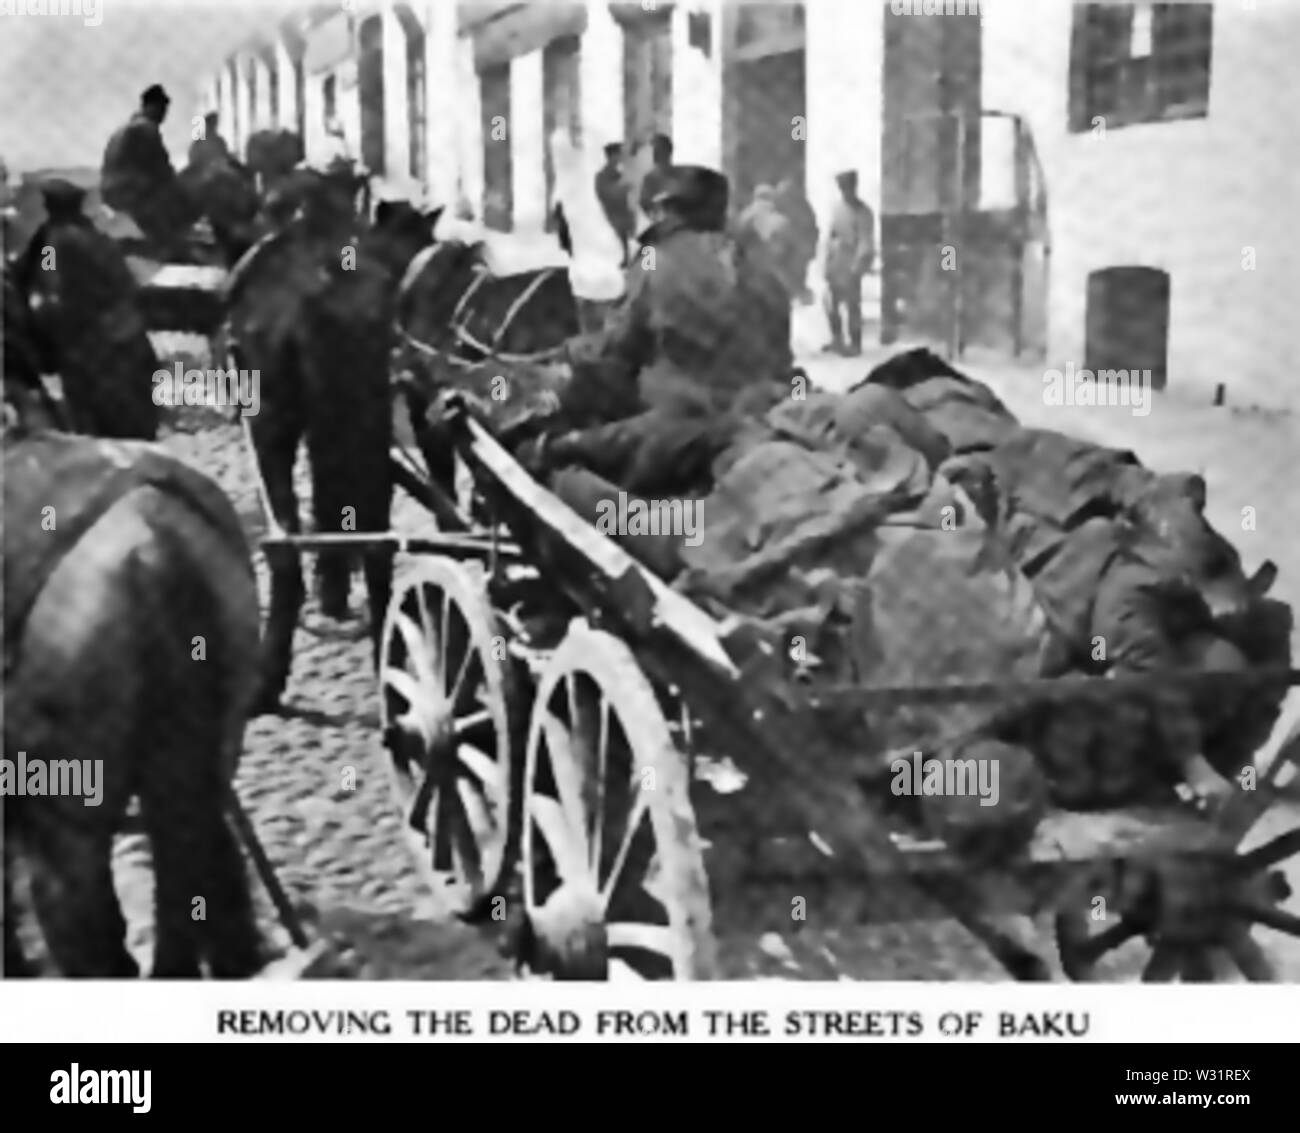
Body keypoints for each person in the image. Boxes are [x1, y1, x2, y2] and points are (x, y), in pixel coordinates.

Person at [538, 165, 793, 497]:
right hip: (763, 410)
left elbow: (621, 346)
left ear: (669, 210)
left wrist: (569, 353)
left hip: (681, 419)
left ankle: (563, 471)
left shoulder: (654, 260)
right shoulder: (761, 265)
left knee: (577, 404)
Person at [16, 178, 160, 439]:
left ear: (48, 208)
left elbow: (50, 284)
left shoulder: (53, 245)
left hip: (89, 351)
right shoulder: (97, 237)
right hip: (127, 340)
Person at [101, 84, 197, 253]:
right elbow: (162, 171)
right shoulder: (145, 128)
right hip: (131, 194)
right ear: (152, 106)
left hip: (114, 192)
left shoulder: (125, 128)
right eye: (162, 109)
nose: (164, 114)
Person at [823, 169, 875, 356]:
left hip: (852, 260)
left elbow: (865, 240)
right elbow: (831, 234)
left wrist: (858, 266)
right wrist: (827, 261)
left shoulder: (863, 212)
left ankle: (855, 342)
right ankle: (837, 339)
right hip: (836, 261)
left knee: (852, 305)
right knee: (830, 303)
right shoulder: (837, 208)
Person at [776, 176, 818, 304]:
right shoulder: (790, 209)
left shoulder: (802, 210)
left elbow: (811, 229)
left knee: (795, 274)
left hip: (798, 250)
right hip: (793, 249)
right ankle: (796, 295)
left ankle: (798, 295)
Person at [594, 142, 634, 268]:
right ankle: (642, 264)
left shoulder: (620, 173)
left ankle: (644, 264)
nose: (622, 157)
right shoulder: (603, 175)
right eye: (619, 154)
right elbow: (608, 193)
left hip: (625, 212)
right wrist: (625, 187)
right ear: (612, 156)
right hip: (617, 213)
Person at [636, 133, 674, 224]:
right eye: (655, 152)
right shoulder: (649, 180)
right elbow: (644, 204)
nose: (656, 155)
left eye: (661, 151)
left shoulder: (681, 175)